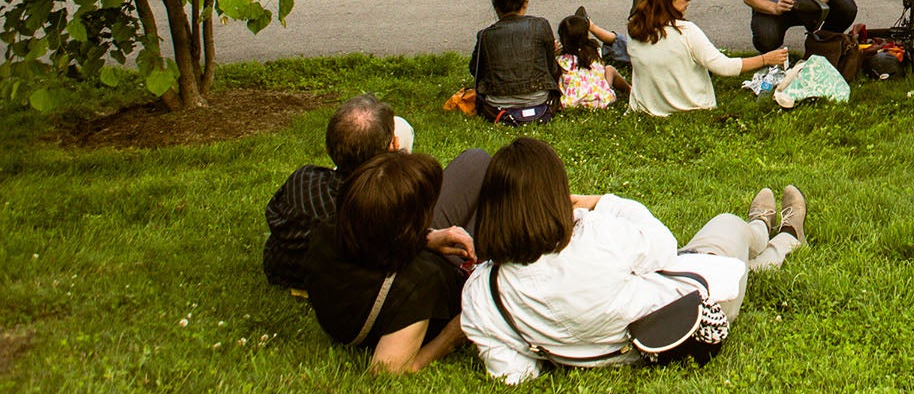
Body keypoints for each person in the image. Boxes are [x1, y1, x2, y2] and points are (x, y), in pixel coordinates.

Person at [459, 137, 807, 381]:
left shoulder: (481, 293)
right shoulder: (593, 236)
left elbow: (513, 374)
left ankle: (775, 241)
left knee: (732, 263)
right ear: (556, 196)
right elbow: (664, 246)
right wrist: (599, 201)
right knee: (725, 227)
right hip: (697, 313)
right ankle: (770, 231)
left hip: (633, 336)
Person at [264, 94, 485, 291]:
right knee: (476, 161)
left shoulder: (302, 179)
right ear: (393, 147)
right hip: (393, 260)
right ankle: (471, 266)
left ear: (328, 149)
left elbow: (275, 213)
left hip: (289, 271)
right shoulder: (379, 207)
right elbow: (392, 242)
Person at [300, 150, 473, 373]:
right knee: (485, 186)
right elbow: (386, 369)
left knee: (474, 161)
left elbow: (375, 240)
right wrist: (453, 334)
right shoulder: (417, 283)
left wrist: (425, 239)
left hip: (388, 259)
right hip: (444, 287)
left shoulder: (330, 232)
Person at [625, 0, 788, 115]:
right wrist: (766, 59)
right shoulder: (686, 31)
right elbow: (725, 67)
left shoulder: (633, 29)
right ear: (670, 0)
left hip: (645, 109)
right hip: (691, 108)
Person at [470, 0, 562, 123]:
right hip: (539, 100)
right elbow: (552, 70)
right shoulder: (541, 25)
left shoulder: (485, 35)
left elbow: (476, 71)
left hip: (497, 104)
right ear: (525, 2)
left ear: (496, 6)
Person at [555, 13, 629, 110]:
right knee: (609, 69)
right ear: (587, 35)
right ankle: (630, 90)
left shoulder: (561, 61)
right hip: (602, 99)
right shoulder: (595, 50)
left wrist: (553, 53)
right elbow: (601, 71)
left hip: (574, 103)